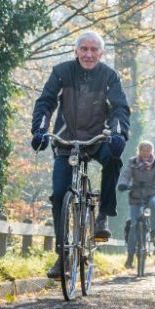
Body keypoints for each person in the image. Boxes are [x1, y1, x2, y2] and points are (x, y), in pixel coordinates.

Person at [31, 31, 130, 279]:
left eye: (93, 49)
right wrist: (40, 130)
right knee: (59, 196)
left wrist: (118, 134)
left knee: (114, 159)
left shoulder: (109, 76)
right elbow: (46, 101)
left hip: (97, 138)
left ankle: (103, 216)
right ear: (75, 51)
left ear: (101, 53)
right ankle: (63, 256)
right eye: (83, 49)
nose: (88, 54)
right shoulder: (62, 72)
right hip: (66, 140)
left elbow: (120, 108)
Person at [118, 141, 155, 265]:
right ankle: (130, 256)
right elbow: (126, 174)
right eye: (143, 150)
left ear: (152, 151)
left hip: (152, 193)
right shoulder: (132, 162)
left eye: (148, 150)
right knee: (134, 226)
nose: (146, 153)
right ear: (139, 151)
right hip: (136, 195)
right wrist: (123, 183)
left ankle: (154, 232)